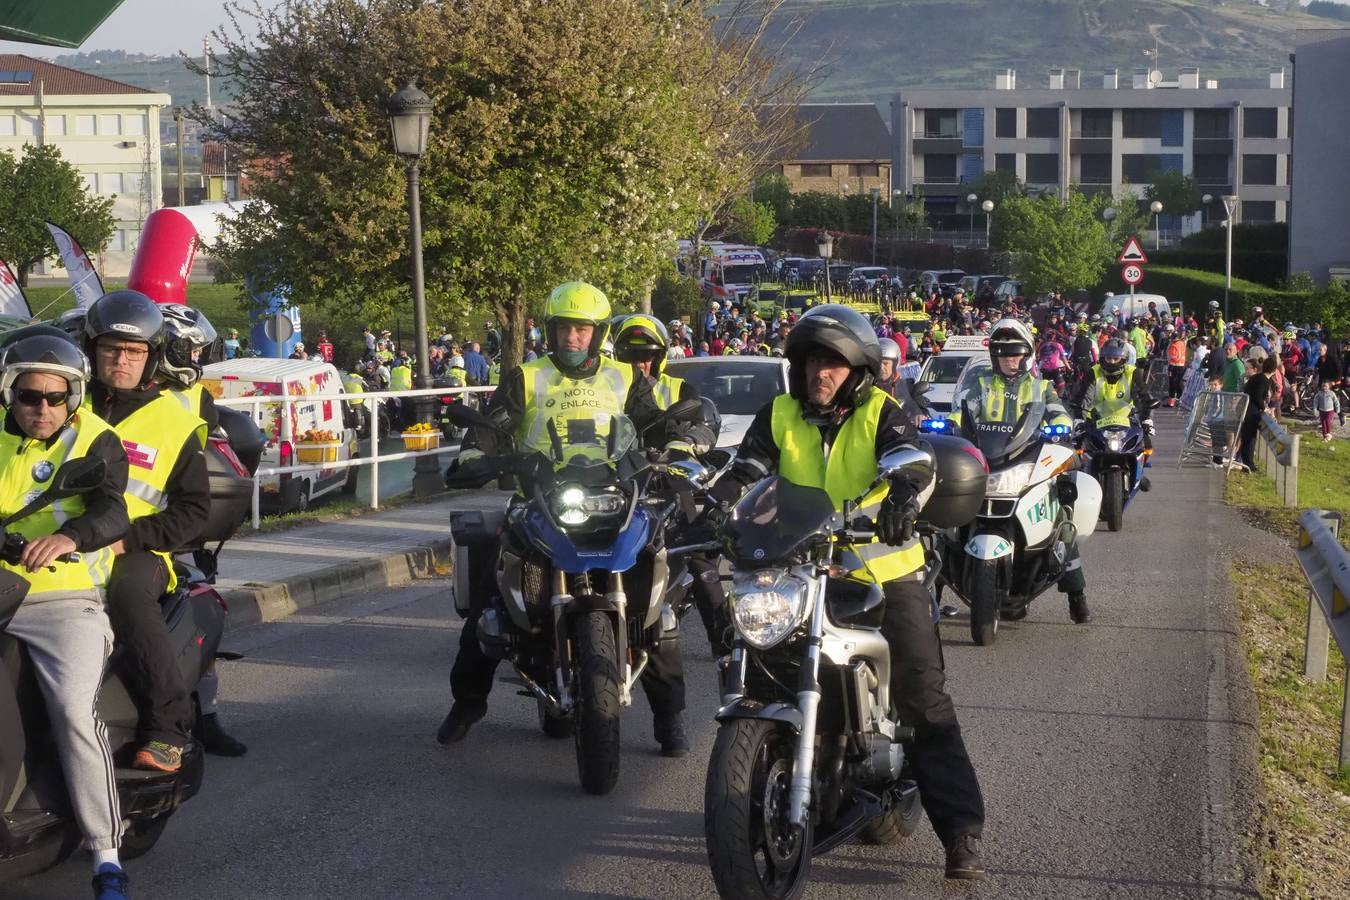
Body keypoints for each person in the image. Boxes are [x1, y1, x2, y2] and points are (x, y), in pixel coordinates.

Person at [707, 304, 987, 879]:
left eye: (833, 362)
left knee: (922, 698)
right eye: (812, 360)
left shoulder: (884, 412)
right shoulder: (780, 414)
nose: (820, 373)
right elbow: (748, 469)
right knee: (761, 665)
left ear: (857, 368)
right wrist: (713, 503)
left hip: (881, 569)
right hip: (796, 570)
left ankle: (960, 832)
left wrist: (905, 497)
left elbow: (912, 461)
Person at [437, 283, 689, 753]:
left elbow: (653, 422)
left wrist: (678, 442)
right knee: (491, 604)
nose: (572, 338)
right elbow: (496, 425)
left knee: (656, 606)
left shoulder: (624, 378)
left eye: (581, 329)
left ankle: (669, 718)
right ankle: (467, 703)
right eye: (563, 328)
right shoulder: (526, 378)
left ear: (595, 334)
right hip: (541, 499)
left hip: (614, 496)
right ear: (549, 331)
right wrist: (478, 453)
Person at [0, 333, 133, 898]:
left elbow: (112, 507)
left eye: (58, 398)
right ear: (10, 393)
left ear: (75, 395)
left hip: (63, 597)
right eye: (31, 396)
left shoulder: (95, 439)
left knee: (75, 710)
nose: (44, 409)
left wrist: (68, 536)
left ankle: (105, 854)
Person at [84, 291, 211, 773]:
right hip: (57, 539)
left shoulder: (175, 424)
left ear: (151, 357)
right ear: (91, 349)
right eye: (111, 349)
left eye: (133, 352)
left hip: (135, 550)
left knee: (130, 598)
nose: (121, 360)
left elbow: (194, 511)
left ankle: (166, 728)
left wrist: (128, 539)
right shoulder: (59, 403)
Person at [949, 319, 1089, 624]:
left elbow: (1057, 410)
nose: (1009, 361)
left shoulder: (1039, 386)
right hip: (986, 457)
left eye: (1015, 355)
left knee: (1063, 521)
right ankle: (929, 598)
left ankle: (1077, 595)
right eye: (1003, 355)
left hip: (1026, 457)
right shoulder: (981, 382)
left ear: (1026, 356)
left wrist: (1063, 423)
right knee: (937, 524)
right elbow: (961, 407)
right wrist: (948, 422)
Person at [157, 304, 249, 756]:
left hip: (177, 521)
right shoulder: (106, 392)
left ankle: (202, 719)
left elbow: (220, 450)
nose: (194, 359)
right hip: (108, 522)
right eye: (186, 349)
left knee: (197, 617)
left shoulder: (197, 399)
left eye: (198, 351)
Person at [1077, 338, 1156, 458]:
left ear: (1123, 359)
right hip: (1096, 419)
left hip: (1127, 420)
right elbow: (1085, 397)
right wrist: (1079, 419)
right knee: (1078, 446)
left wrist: (1147, 419)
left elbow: (1142, 396)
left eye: (1116, 358)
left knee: (1147, 446)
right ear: (1103, 358)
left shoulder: (1132, 372)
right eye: (1108, 358)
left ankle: (1137, 474)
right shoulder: (1094, 372)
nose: (1112, 362)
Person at [1237, 357, 1275, 470]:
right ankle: (1248, 464)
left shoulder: (1257, 377)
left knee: (1248, 438)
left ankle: (1247, 463)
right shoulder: (1263, 380)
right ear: (1274, 370)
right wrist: (1265, 408)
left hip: (1247, 410)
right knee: (1250, 438)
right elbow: (1258, 397)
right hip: (1251, 412)